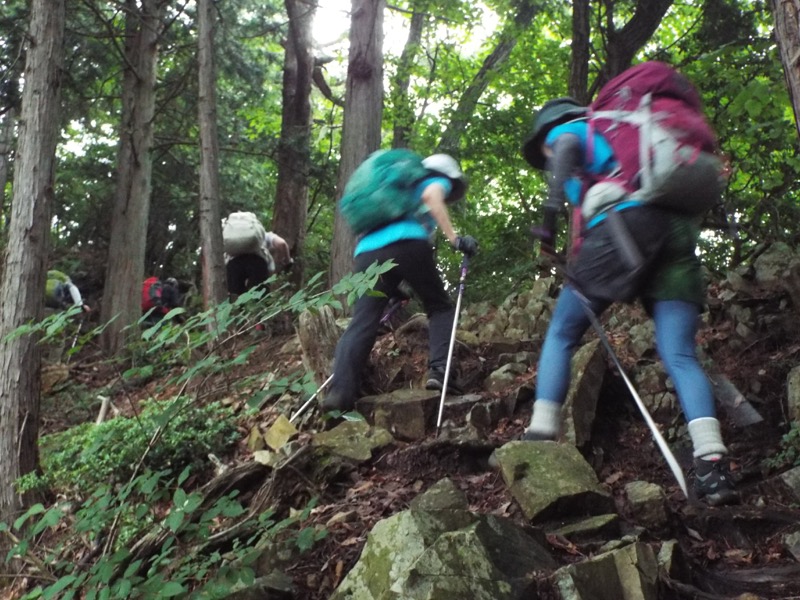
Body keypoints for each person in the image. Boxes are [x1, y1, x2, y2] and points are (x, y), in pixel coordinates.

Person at [519, 97, 737, 506]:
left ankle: (540, 431)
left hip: (626, 227)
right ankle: (712, 467)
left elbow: (565, 148)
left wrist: (548, 221)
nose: (548, 156)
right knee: (679, 353)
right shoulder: (626, 133)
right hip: (673, 231)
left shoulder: (571, 131)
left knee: (563, 331)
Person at [322, 153, 478, 414]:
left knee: (363, 321)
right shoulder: (435, 179)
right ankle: (439, 372)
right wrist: (455, 239)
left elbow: (390, 254)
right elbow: (431, 197)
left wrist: (393, 288)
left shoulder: (398, 190)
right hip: (408, 242)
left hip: (367, 251)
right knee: (439, 306)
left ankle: (340, 393)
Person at [222, 211, 292, 299]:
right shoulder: (264, 236)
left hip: (234, 265)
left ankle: (239, 311)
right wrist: (287, 261)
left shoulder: (231, 239)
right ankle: (261, 311)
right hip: (257, 263)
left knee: (235, 298)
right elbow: (282, 243)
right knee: (261, 297)